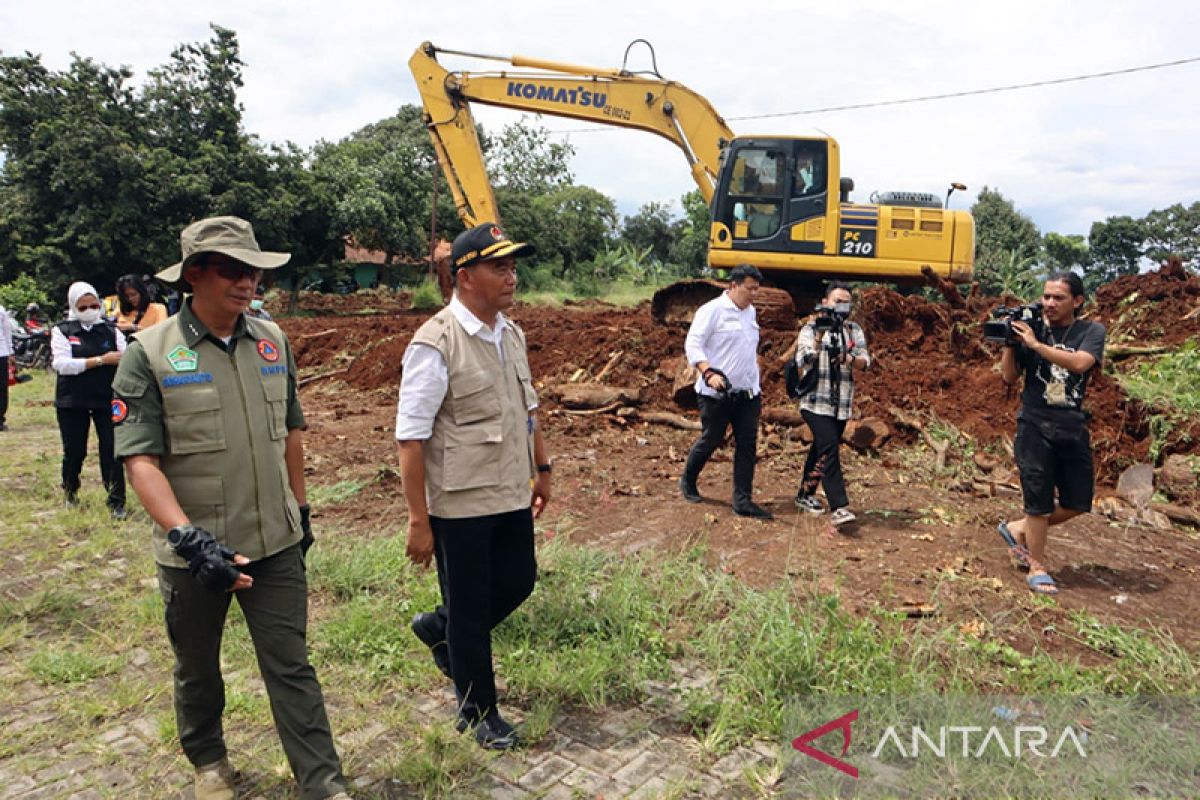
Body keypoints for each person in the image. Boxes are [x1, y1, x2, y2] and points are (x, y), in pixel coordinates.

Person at [112, 216, 349, 800]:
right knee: (197, 668)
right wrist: (187, 539)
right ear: (194, 275)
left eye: (254, 271)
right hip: (196, 554)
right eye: (232, 270)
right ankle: (209, 762)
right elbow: (139, 460)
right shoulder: (149, 354)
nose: (247, 283)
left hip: (274, 542)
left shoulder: (273, 340)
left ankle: (323, 783)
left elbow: (291, 431)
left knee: (292, 666)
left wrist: (301, 507)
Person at [395, 221, 550, 751]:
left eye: (512, 266)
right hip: (459, 503)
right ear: (465, 277)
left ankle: (441, 628)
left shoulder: (511, 332)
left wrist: (543, 470)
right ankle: (479, 712)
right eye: (498, 267)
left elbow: (527, 409)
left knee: (519, 581)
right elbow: (410, 439)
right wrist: (419, 520)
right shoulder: (435, 343)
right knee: (469, 607)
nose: (511, 276)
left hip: (508, 489)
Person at [997, 272, 1106, 595]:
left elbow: (1080, 364)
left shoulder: (1091, 331)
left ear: (1077, 300)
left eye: (1058, 297)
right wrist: (1011, 345)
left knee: (1078, 501)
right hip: (1034, 424)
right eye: (1046, 296)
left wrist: (1036, 345)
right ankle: (1037, 565)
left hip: (1071, 425)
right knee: (1038, 502)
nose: (1049, 303)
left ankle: (1016, 529)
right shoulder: (1033, 328)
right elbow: (1008, 377)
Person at [679, 263, 772, 519]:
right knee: (712, 437)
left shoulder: (750, 312)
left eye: (757, 289)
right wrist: (708, 372)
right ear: (734, 285)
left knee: (747, 445)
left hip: (747, 393)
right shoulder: (712, 311)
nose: (754, 294)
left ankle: (742, 500)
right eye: (750, 289)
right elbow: (693, 343)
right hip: (716, 393)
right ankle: (688, 479)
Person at [792, 282, 870, 528]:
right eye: (837, 301)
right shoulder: (810, 328)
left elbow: (866, 361)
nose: (842, 306)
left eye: (846, 302)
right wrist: (818, 338)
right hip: (815, 401)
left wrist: (848, 358)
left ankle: (805, 494)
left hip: (841, 403)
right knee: (829, 449)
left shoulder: (853, 329)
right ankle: (839, 507)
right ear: (825, 302)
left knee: (821, 449)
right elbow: (803, 359)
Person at [50, 282, 128, 517]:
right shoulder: (63, 330)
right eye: (83, 307)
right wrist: (100, 360)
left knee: (112, 450)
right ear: (74, 306)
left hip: (106, 397)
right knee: (75, 450)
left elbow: (126, 358)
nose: (90, 310)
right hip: (72, 400)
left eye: (94, 305)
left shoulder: (111, 330)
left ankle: (116, 501)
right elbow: (62, 365)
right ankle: (70, 491)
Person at [0, 301, 12, 431]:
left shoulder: (1, 310)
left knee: (2, 387)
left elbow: (7, 332)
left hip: (1, 352)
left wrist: (10, 352)